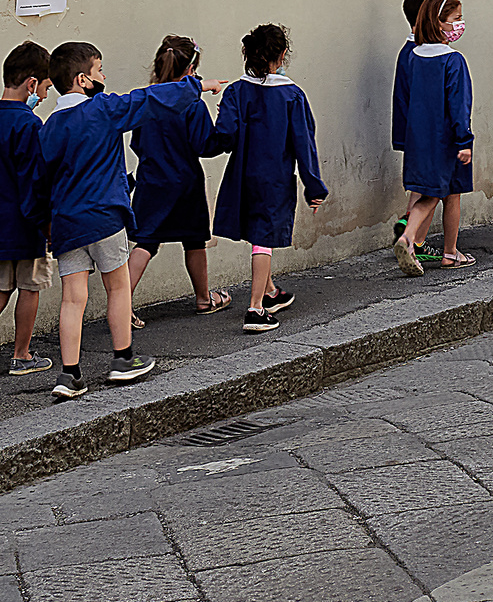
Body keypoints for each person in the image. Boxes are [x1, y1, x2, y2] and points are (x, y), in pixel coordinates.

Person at [42, 42, 221, 398]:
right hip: (106, 217)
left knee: (72, 299)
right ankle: (123, 359)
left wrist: (46, 227)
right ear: (82, 80)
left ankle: (70, 375)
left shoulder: (48, 128)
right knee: (118, 287)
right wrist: (198, 86)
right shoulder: (104, 110)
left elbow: (39, 181)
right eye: (99, 70)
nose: (104, 77)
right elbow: (148, 100)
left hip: (66, 222)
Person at [211, 24, 328, 332]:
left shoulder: (236, 91)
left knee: (256, 234)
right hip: (274, 177)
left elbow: (225, 137)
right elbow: (304, 143)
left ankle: (271, 291)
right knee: (263, 241)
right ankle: (255, 308)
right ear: (283, 55)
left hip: (242, 175)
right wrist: (314, 187)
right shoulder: (292, 96)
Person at [126, 36, 232, 324]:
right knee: (194, 240)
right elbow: (205, 146)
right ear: (190, 71)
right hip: (185, 182)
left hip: (151, 180)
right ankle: (203, 298)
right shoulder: (191, 104)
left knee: (146, 242)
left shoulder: (146, 99)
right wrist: (225, 128)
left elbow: (137, 143)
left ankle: (122, 305)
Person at [0, 40, 54, 380]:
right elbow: (36, 180)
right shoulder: (30, 125)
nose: (45, 96)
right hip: (26, 223)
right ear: (31, 83)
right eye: (45, 87)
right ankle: (22, 354)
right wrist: (46, 224)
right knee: (30, 286)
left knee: (0, 286)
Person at [394, 0, 474, 275]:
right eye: (455, 19)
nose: (460, 24)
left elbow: (405, 98)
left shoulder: (414, 57)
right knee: (448, 193)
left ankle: (441, 249)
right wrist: (464, 141)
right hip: (448, 140)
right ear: (437, 23)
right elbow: (459, 105)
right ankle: (431, 245)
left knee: (431, 190)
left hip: (420, 139)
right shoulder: (454, 61)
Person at [391, 0, 444, 265]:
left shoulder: (409, 52)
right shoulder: (423, 55)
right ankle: (416, 238)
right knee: (430, 188)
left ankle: (409, 230)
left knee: (419, 187)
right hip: (426, 132)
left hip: (412, 130)